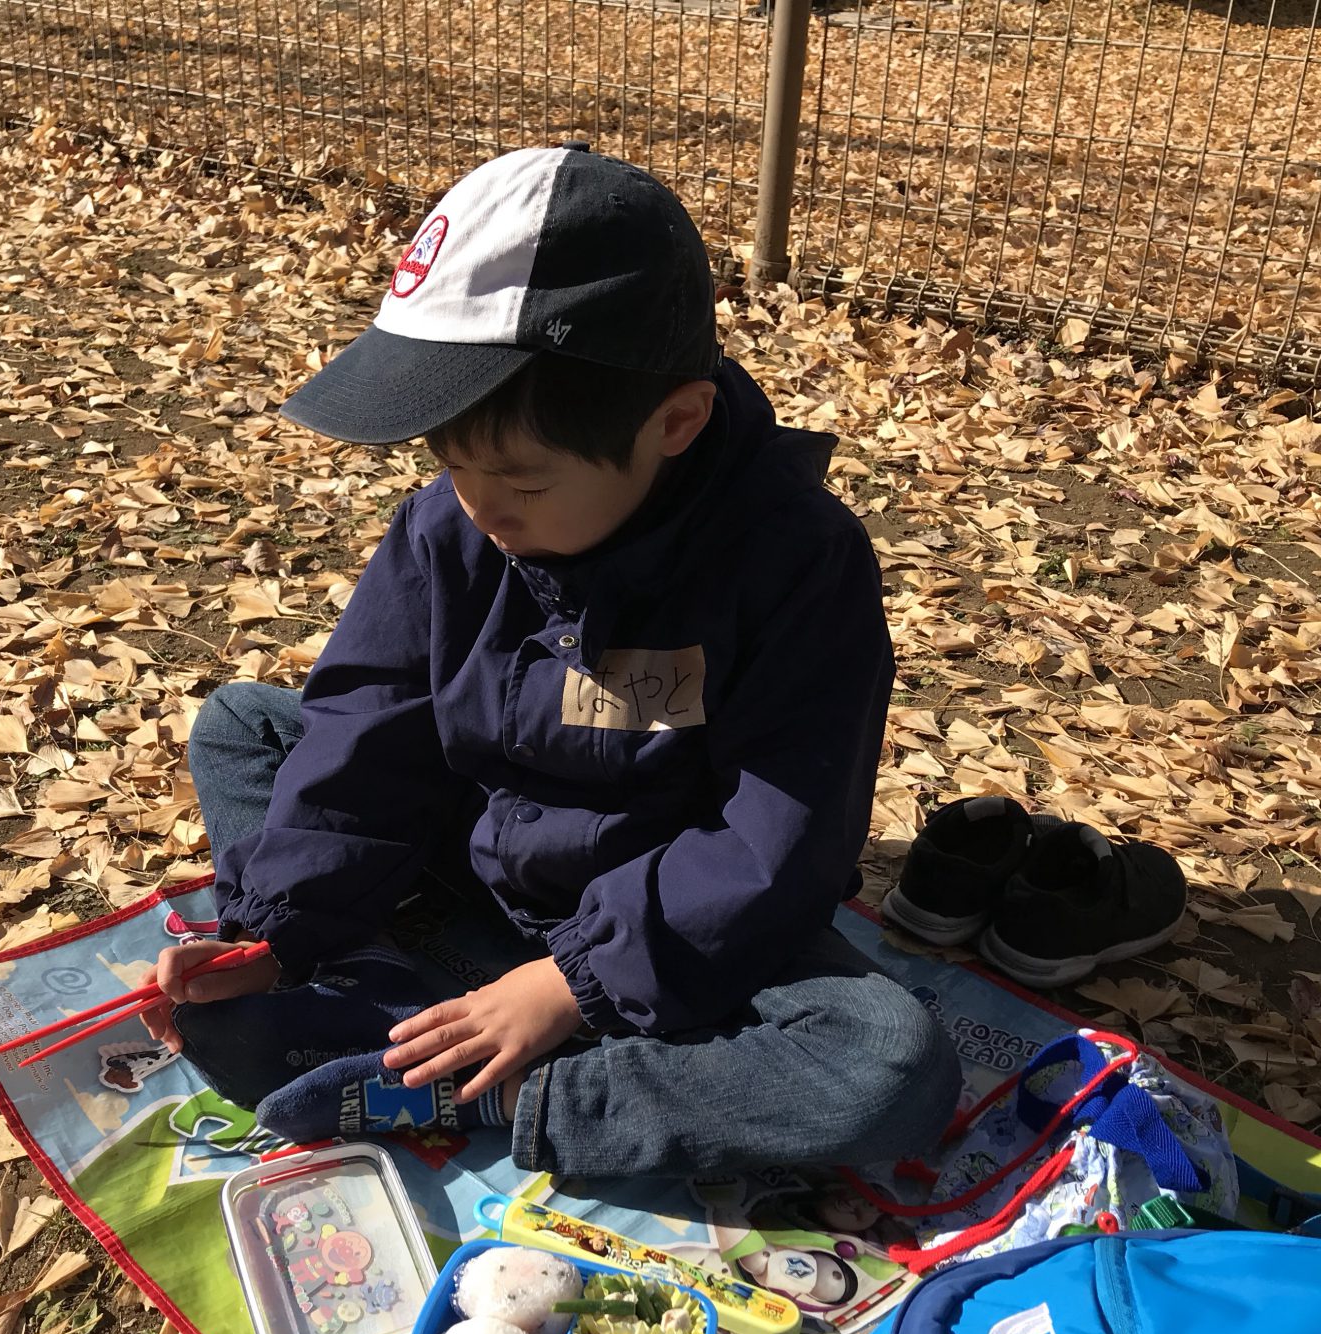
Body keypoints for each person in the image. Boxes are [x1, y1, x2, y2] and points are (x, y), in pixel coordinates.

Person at [140, 143, 960, 1180]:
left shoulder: (795, 563)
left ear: (674, 423)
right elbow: (371, 723)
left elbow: (777, 840)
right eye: (452, 465)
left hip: (667, 913)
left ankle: (498, 1084)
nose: (483, 507)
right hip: (478, 844)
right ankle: (370, 978)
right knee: (242, 722)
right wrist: (281, 929)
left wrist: (570, 983)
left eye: (522, 481)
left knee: (887, 1066)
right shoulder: (450, 527)